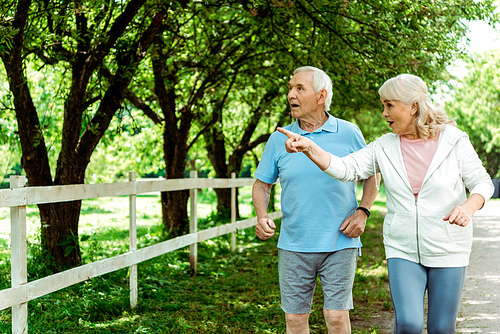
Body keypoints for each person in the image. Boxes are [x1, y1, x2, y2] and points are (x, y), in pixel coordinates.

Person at [277, 73, 495, 334]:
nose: (384, 113)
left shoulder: (454, 140)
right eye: (383, 105)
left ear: (413, 106)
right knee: (409, 324)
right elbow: (345, 168)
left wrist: (468, 207)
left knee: (440, 328)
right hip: (401, 249)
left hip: (448, 247)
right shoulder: (384, 147)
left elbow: (483, 182)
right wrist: (310, 148)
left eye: (389, 105)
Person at [252, 66, 379, 334]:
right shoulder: (279, 138)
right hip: (294, 244)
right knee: (295, 320)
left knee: (335, 315)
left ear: (321, 96)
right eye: (290, 88)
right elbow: (262, 185)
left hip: (340, 241)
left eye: (299, 88)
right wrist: (261, 215)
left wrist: (363, 212)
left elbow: (371, 175)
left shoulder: (349, 132)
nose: (291, 94)